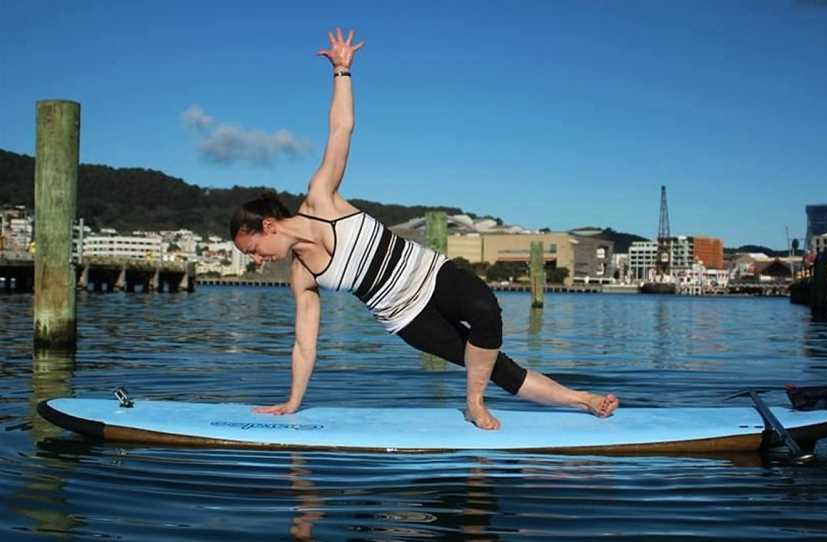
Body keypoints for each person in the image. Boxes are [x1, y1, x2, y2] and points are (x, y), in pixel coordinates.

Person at [231, 28, 619, 430]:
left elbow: (340, 130)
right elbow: (304, 344)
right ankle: (586, 401)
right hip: (406, 316)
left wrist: (342, 72)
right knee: (493, 365)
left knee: (485, 309)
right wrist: (293, 401)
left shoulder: (321, 199)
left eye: (254, 249)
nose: (258, 260)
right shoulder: (302, 273)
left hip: (431, 274)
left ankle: (473, 402)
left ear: (268, 224)